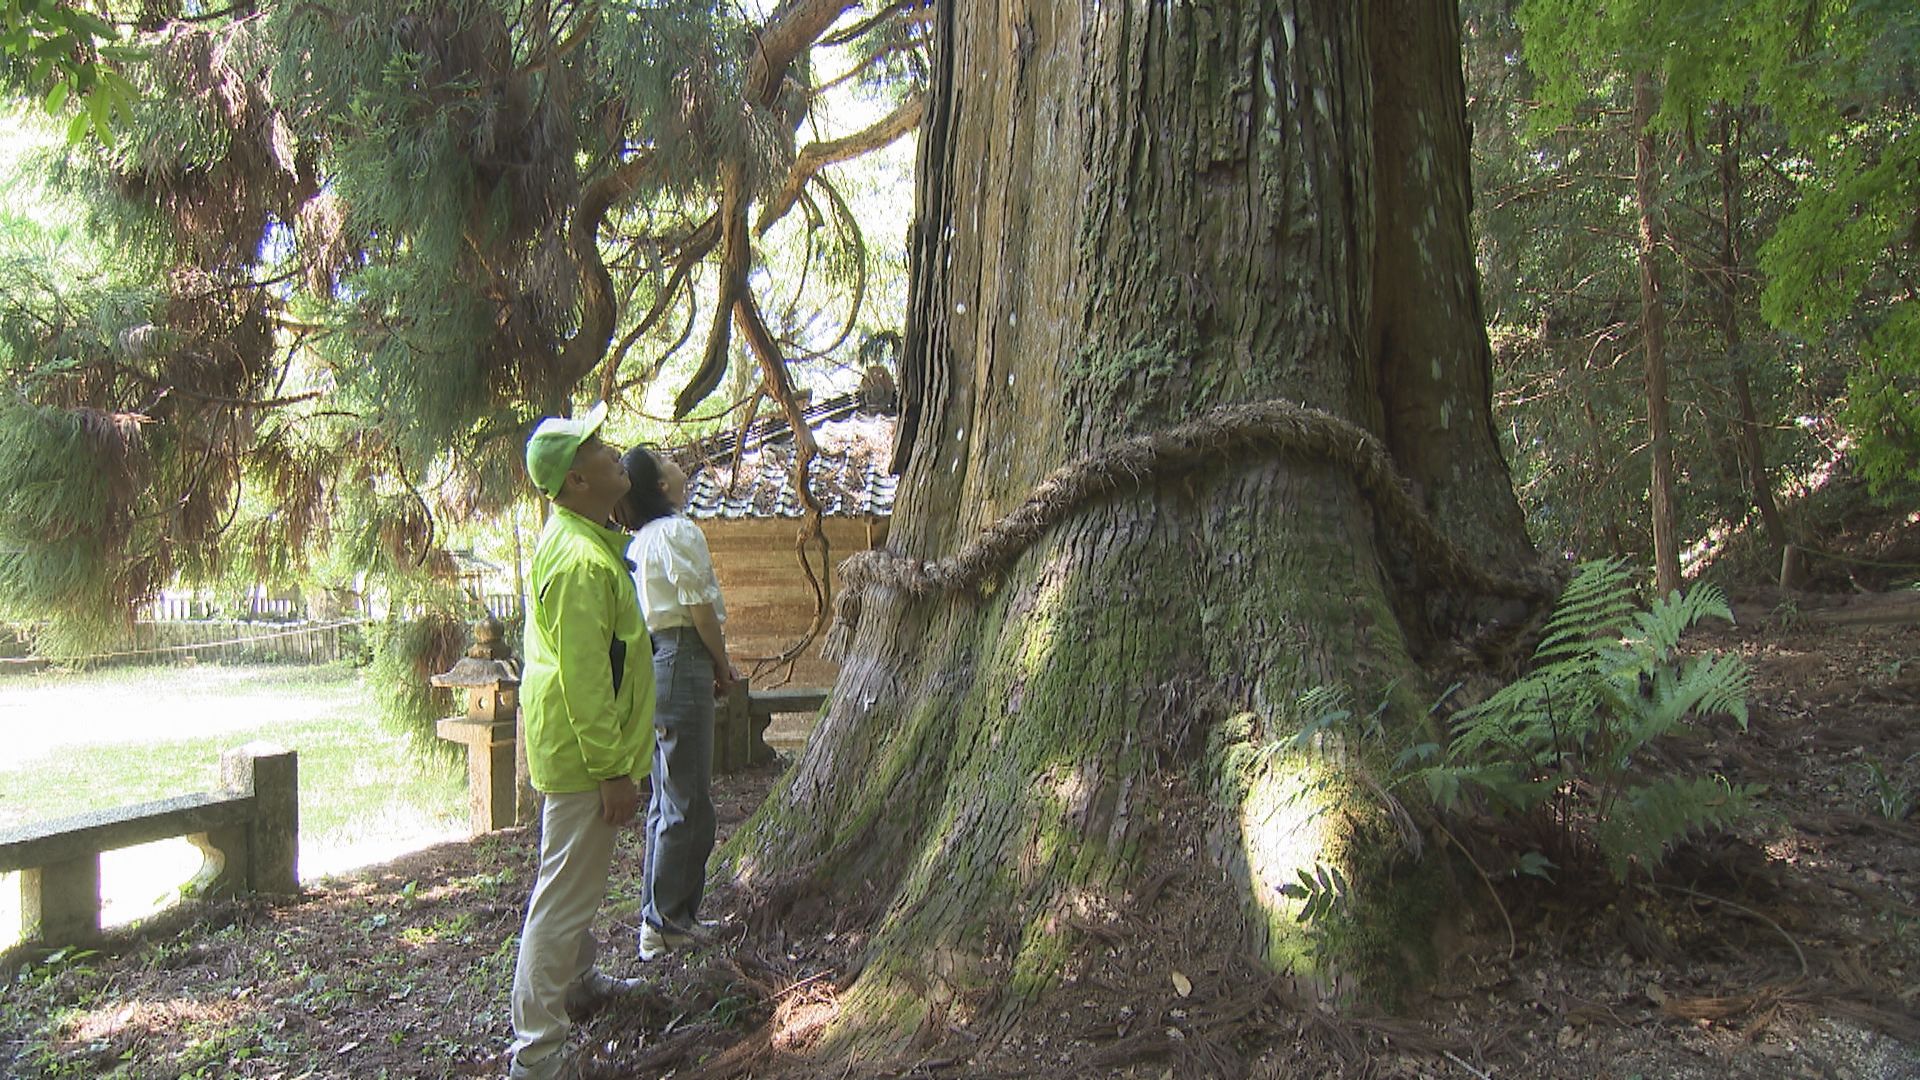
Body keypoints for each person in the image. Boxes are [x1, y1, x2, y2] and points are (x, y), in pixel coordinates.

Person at [508, 403, 655, 1080]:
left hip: (581, 751)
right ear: (574, 483)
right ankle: (537, 1058)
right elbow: (586, 679)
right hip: (581, 756)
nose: (612, 449)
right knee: (561, 901)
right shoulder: (576, 561)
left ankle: (580, 982)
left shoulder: (586, 540)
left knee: (573, 888)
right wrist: (610, 770)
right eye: (596, 446)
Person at [614, 447, 739, 961]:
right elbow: (700, 611)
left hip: (654, 660)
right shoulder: (677, 532)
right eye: (665, 461)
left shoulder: (640, 541)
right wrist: (722, 664)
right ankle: (668, 922)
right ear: (661, 486)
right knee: (690, 801)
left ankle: (660, 916)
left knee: (668, 798)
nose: (676, 463)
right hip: (681, 655)